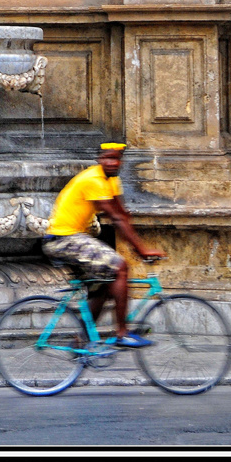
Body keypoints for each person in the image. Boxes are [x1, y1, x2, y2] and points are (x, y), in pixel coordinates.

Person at [42, 142, 167, 348]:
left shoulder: (112, 180)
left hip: (74, 238)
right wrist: (141, 249)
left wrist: (137, 242)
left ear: (121, 161)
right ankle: (122, 332)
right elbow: (115, 218)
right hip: (63, 239)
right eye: (107, 158)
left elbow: (122, 214)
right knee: (120, 268)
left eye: (115, 158)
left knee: (104, 285)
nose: (111, 162)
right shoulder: (94, 179)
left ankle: (81, 340)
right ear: (99, 160)